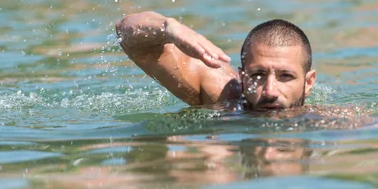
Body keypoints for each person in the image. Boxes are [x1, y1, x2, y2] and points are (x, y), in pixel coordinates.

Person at [115, 11, 316, 111]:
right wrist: (169, 28)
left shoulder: (326, 122)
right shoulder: (223, 95)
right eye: (258, 75)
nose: (270, 91)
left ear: (308, 83)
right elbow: (125, 31)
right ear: (242, 76)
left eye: (286, 76)